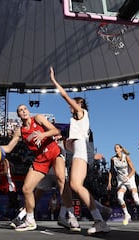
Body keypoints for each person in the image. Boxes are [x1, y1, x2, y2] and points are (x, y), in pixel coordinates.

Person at [50, 66, 110, 235]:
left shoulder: (81, 112)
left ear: (80, 105)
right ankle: (99, 214)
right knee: (74, 186)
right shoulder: (75, 122)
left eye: (75, 102)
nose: (72, 105)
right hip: (77, 150)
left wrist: (54, 81)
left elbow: (64, 96)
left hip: (81, 151)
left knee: (75, 185)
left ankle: (99, 220)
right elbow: (69, 139)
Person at [0, 104, 66, 231]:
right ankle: (30, 220)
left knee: (61, 179)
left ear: (28, 111)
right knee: (26, 189)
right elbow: (8, 148)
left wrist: (43, 135)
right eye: (20, 110)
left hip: (53, 151)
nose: (23, 111)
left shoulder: (38, 118)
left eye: (25, 109)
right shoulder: (20, 131)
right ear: (18, 115)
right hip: (41, 159)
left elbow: (56, 131)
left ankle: (69, 215)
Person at [107, 144, 139, 227]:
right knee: (119, 197)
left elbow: (133, 170)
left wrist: (128, 177)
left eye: (117, 148)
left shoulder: (126, 157)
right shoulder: (113, 159)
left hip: (130, 179)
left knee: (136, 200)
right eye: (114, 148)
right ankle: (127, 215)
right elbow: (111, 171)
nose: (115, 149)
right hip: (121, 181)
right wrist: (109, 182)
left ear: (121, 149)